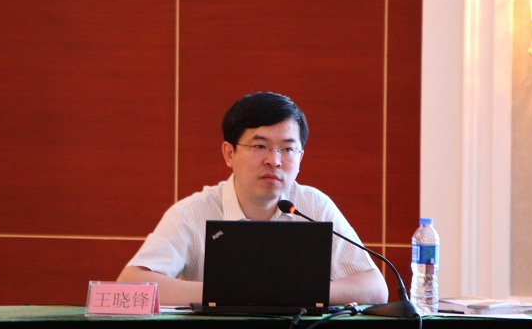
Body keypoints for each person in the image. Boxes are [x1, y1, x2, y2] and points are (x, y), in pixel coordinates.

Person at [117, 91, 389, 306]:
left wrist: (289, 293)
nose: (274, 160)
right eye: (259, 146)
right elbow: (130, 285)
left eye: (287, 149)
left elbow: (375, 288)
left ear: (301, 158)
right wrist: (231, 294)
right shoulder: (192, 211)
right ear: (229, 153)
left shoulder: (314, 206)